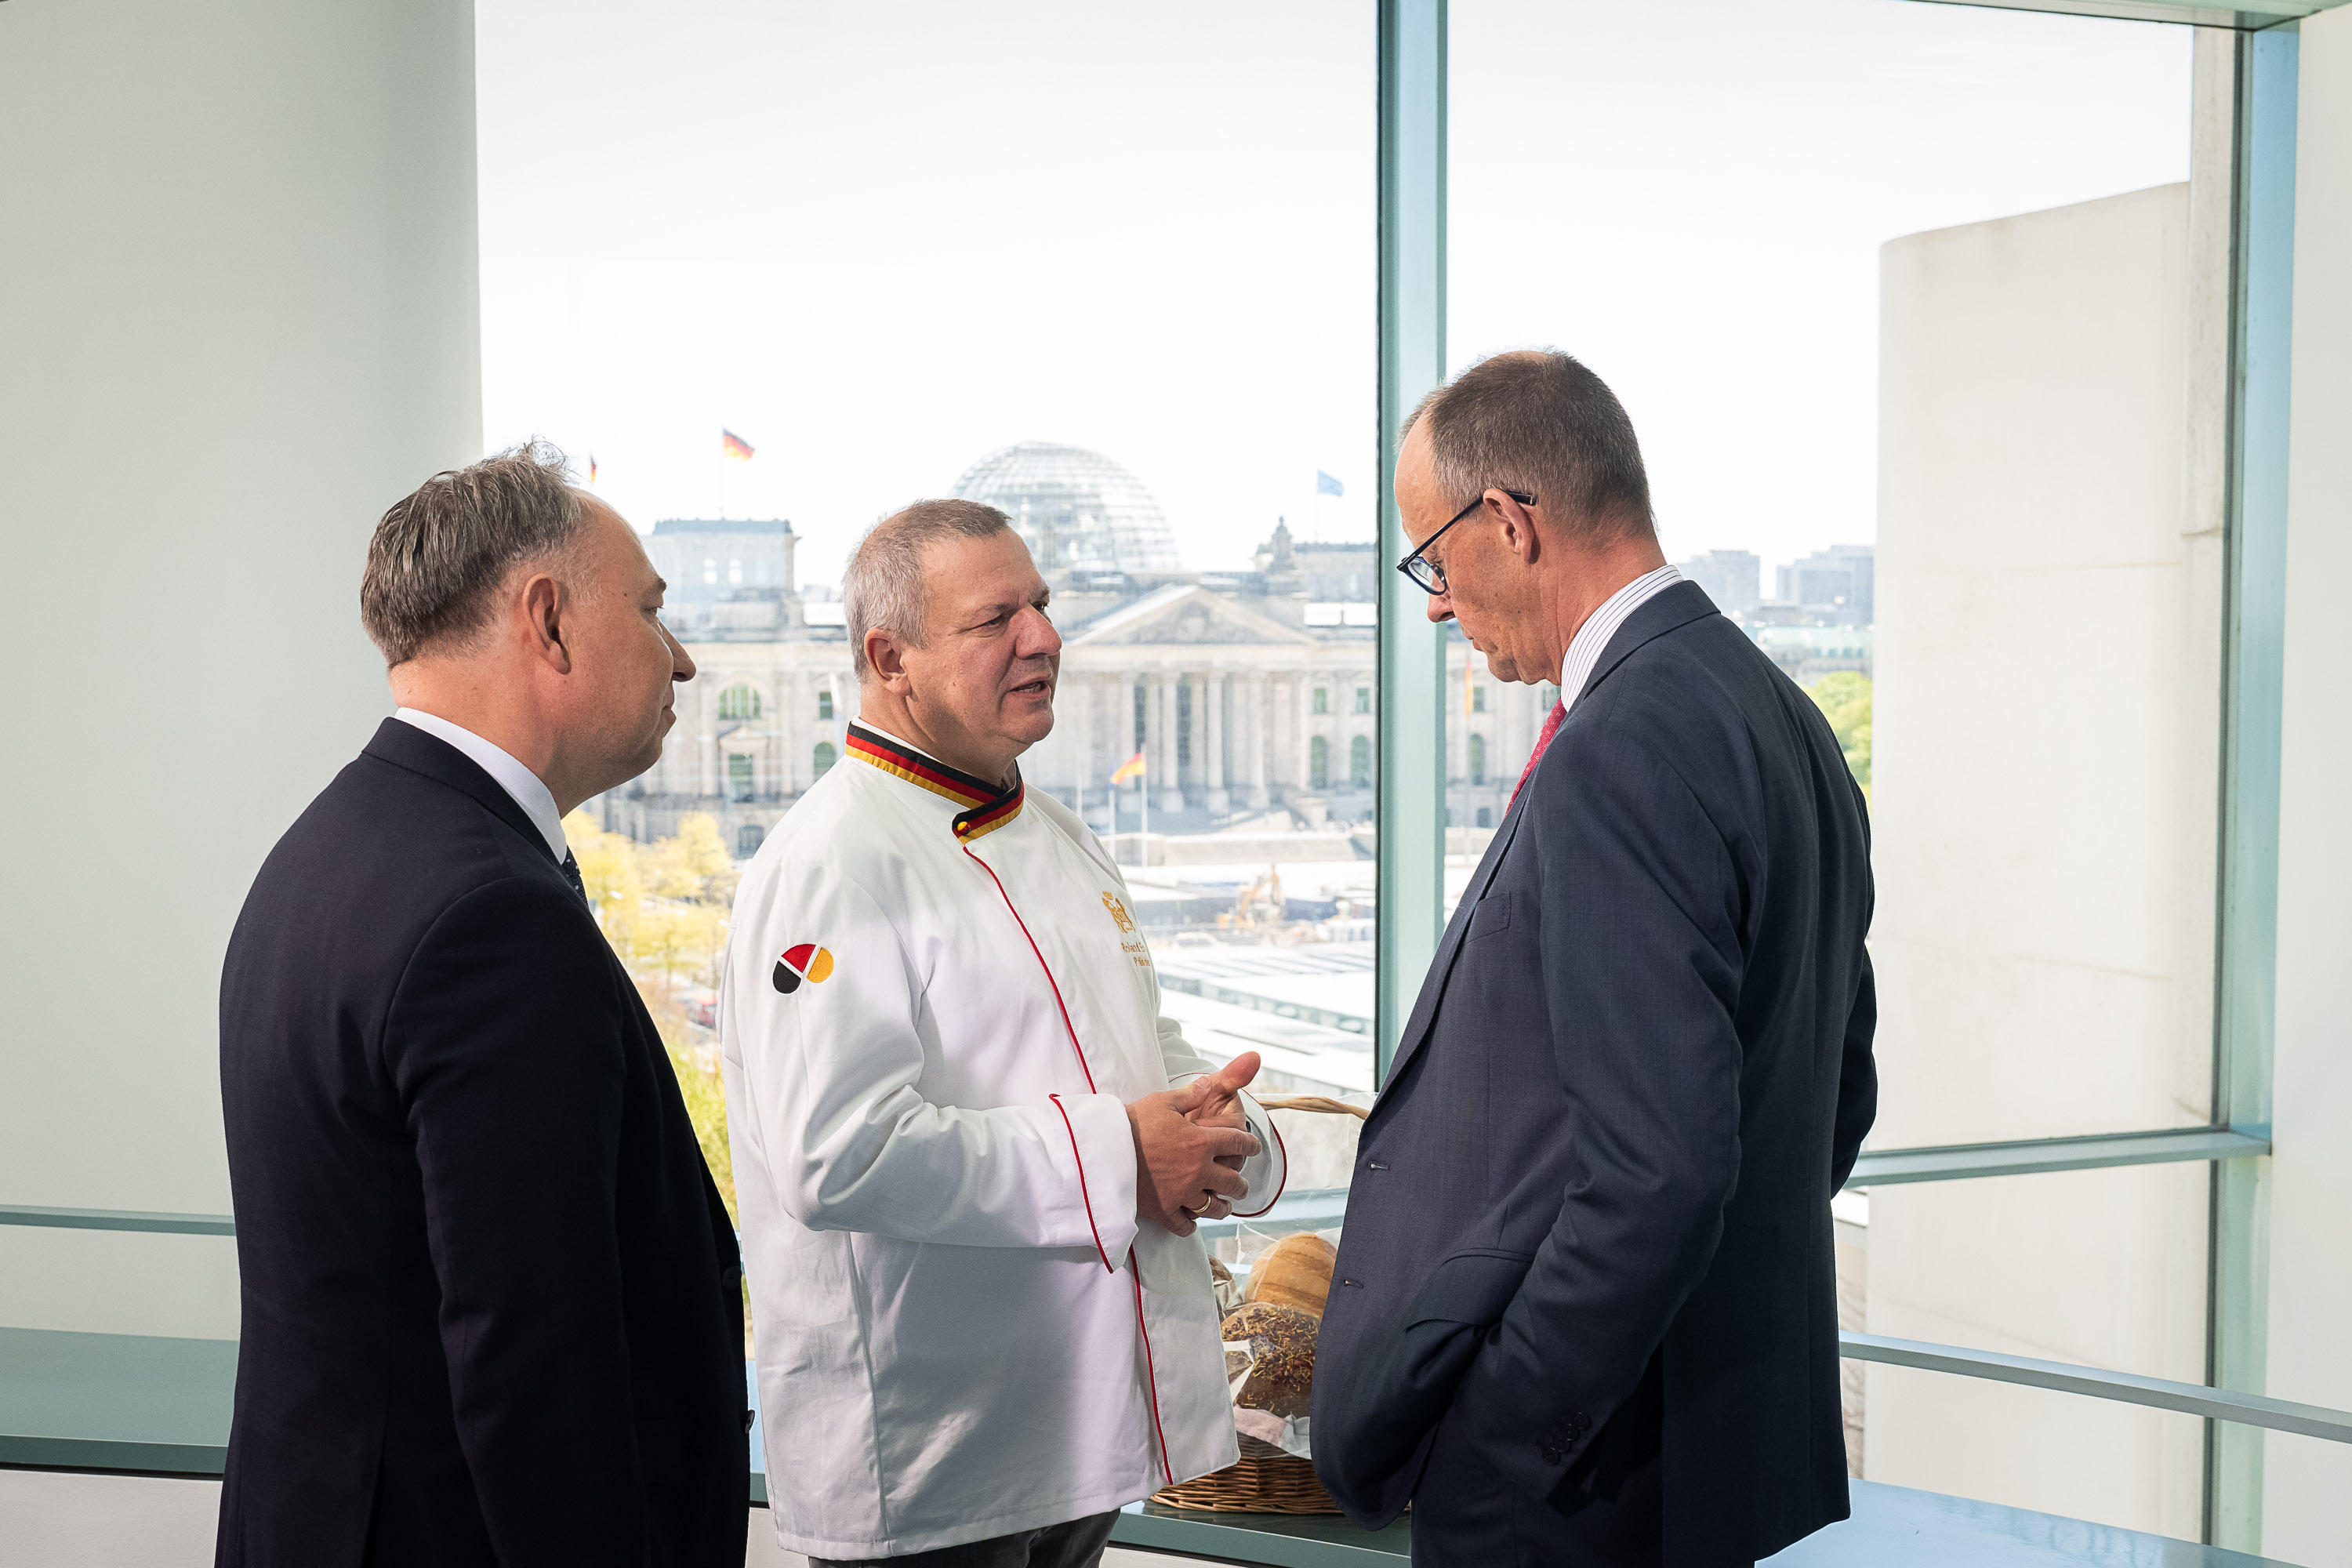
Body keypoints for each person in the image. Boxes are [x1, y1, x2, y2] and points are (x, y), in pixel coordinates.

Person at [1312, 351, 1877, 1567]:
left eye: (1433, 559)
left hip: (1582, 1482)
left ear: (1508, 523)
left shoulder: (1619, 746)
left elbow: (1659, 1175)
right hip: (1703, 1454)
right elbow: (1834, 1091)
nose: (1435, 603)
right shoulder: (1783, 716)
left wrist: (1514, 1425)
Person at [721, 499, 1287, 1566]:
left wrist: (1222, 1132)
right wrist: (1126, 1154)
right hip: (930, 1462)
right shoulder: (833, 860)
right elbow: (840, 1152)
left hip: (1070, 1441)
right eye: (997, 618)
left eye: (1044, 604)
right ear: (891, 657)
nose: (1047, 638)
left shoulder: (1061, 836)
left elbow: (1137, 1053)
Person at [215, 445, 748, 1568]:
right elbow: (535, 1368)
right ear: (547, 623)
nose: (684, 659)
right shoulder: (490, 917)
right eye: (652, 611)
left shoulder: (324, 852)